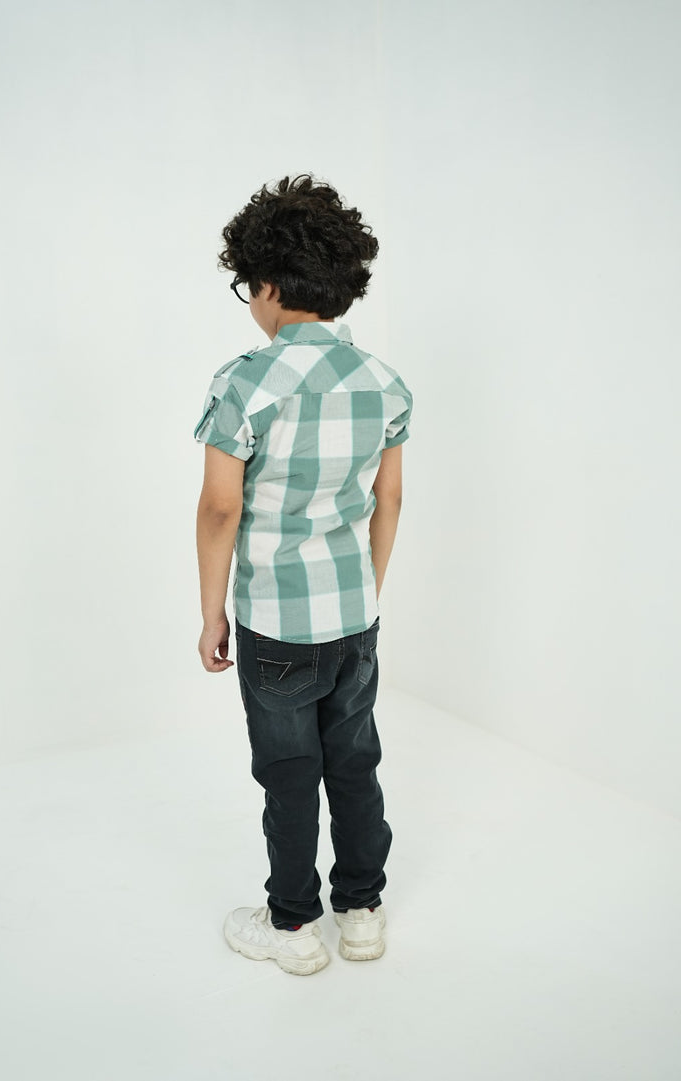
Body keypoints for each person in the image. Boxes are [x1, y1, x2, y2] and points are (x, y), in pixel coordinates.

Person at [193, 174, 413, 976]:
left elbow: (221, 508)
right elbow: (389, 498)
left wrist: (212, 613)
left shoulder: (245, 381)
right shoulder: (383, 382)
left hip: (277, 622)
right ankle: (362, 912)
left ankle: (292, 925)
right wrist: (366, 588)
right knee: (354, 761)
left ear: (269, 284)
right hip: (355, 614)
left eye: (248, 286)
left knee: (289, 775)